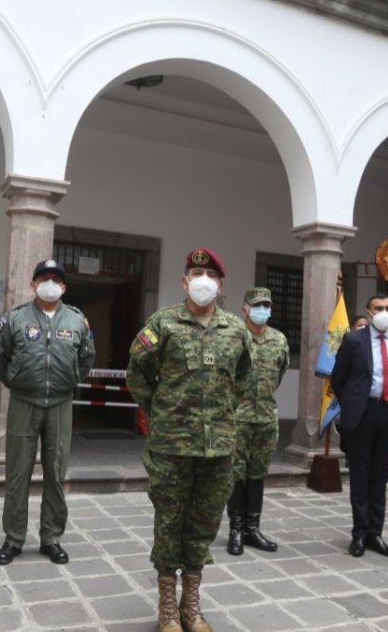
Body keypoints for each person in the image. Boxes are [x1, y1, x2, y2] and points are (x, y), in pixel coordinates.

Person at [127, 247, 252, 632]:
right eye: (196, 275)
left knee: (203, 525)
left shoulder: (236, 329)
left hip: (219, 448)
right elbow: (137, 373)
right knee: (169, 523)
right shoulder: (162, 323)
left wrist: (222, 416)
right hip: (171, 447)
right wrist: (161, 410)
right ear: (184, 282)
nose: (204, 282)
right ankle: (167, 608)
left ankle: (191, 605)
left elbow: (244, 379)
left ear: (220, 285)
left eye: (211, 277)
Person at [0, 259, 95, 566]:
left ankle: (51, 538)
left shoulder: (77, 320)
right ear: (33, 285)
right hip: (23, 402)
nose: (50, 283)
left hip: (60, 404)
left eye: (55, 279)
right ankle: (13, 538)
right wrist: (15, 380)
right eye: (43, 278)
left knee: (56, 473)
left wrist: (71, 379)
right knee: (17, 473)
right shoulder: (16, 318)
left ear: (64, 287)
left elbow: (87, 356)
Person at [329, 293, 388, 559]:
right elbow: (339, 379)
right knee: (361, 476)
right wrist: (353, 405)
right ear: (369, 311)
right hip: (362, 415)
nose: (384, 312)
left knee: (380, 476)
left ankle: (376, 532)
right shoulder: (353, 340)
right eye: (378, 308)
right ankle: (359, 533)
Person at [225, 287, 289, 556]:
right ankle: (236, 530)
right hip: (237, 417)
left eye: (267, 305)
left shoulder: (279, 339)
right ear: (245, 309)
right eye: (257, 305)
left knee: (257, 474)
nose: (263, 310)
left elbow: (280, 373)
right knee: (236, 475)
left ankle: (253, 528)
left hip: (265, 417)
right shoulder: (234, 338)